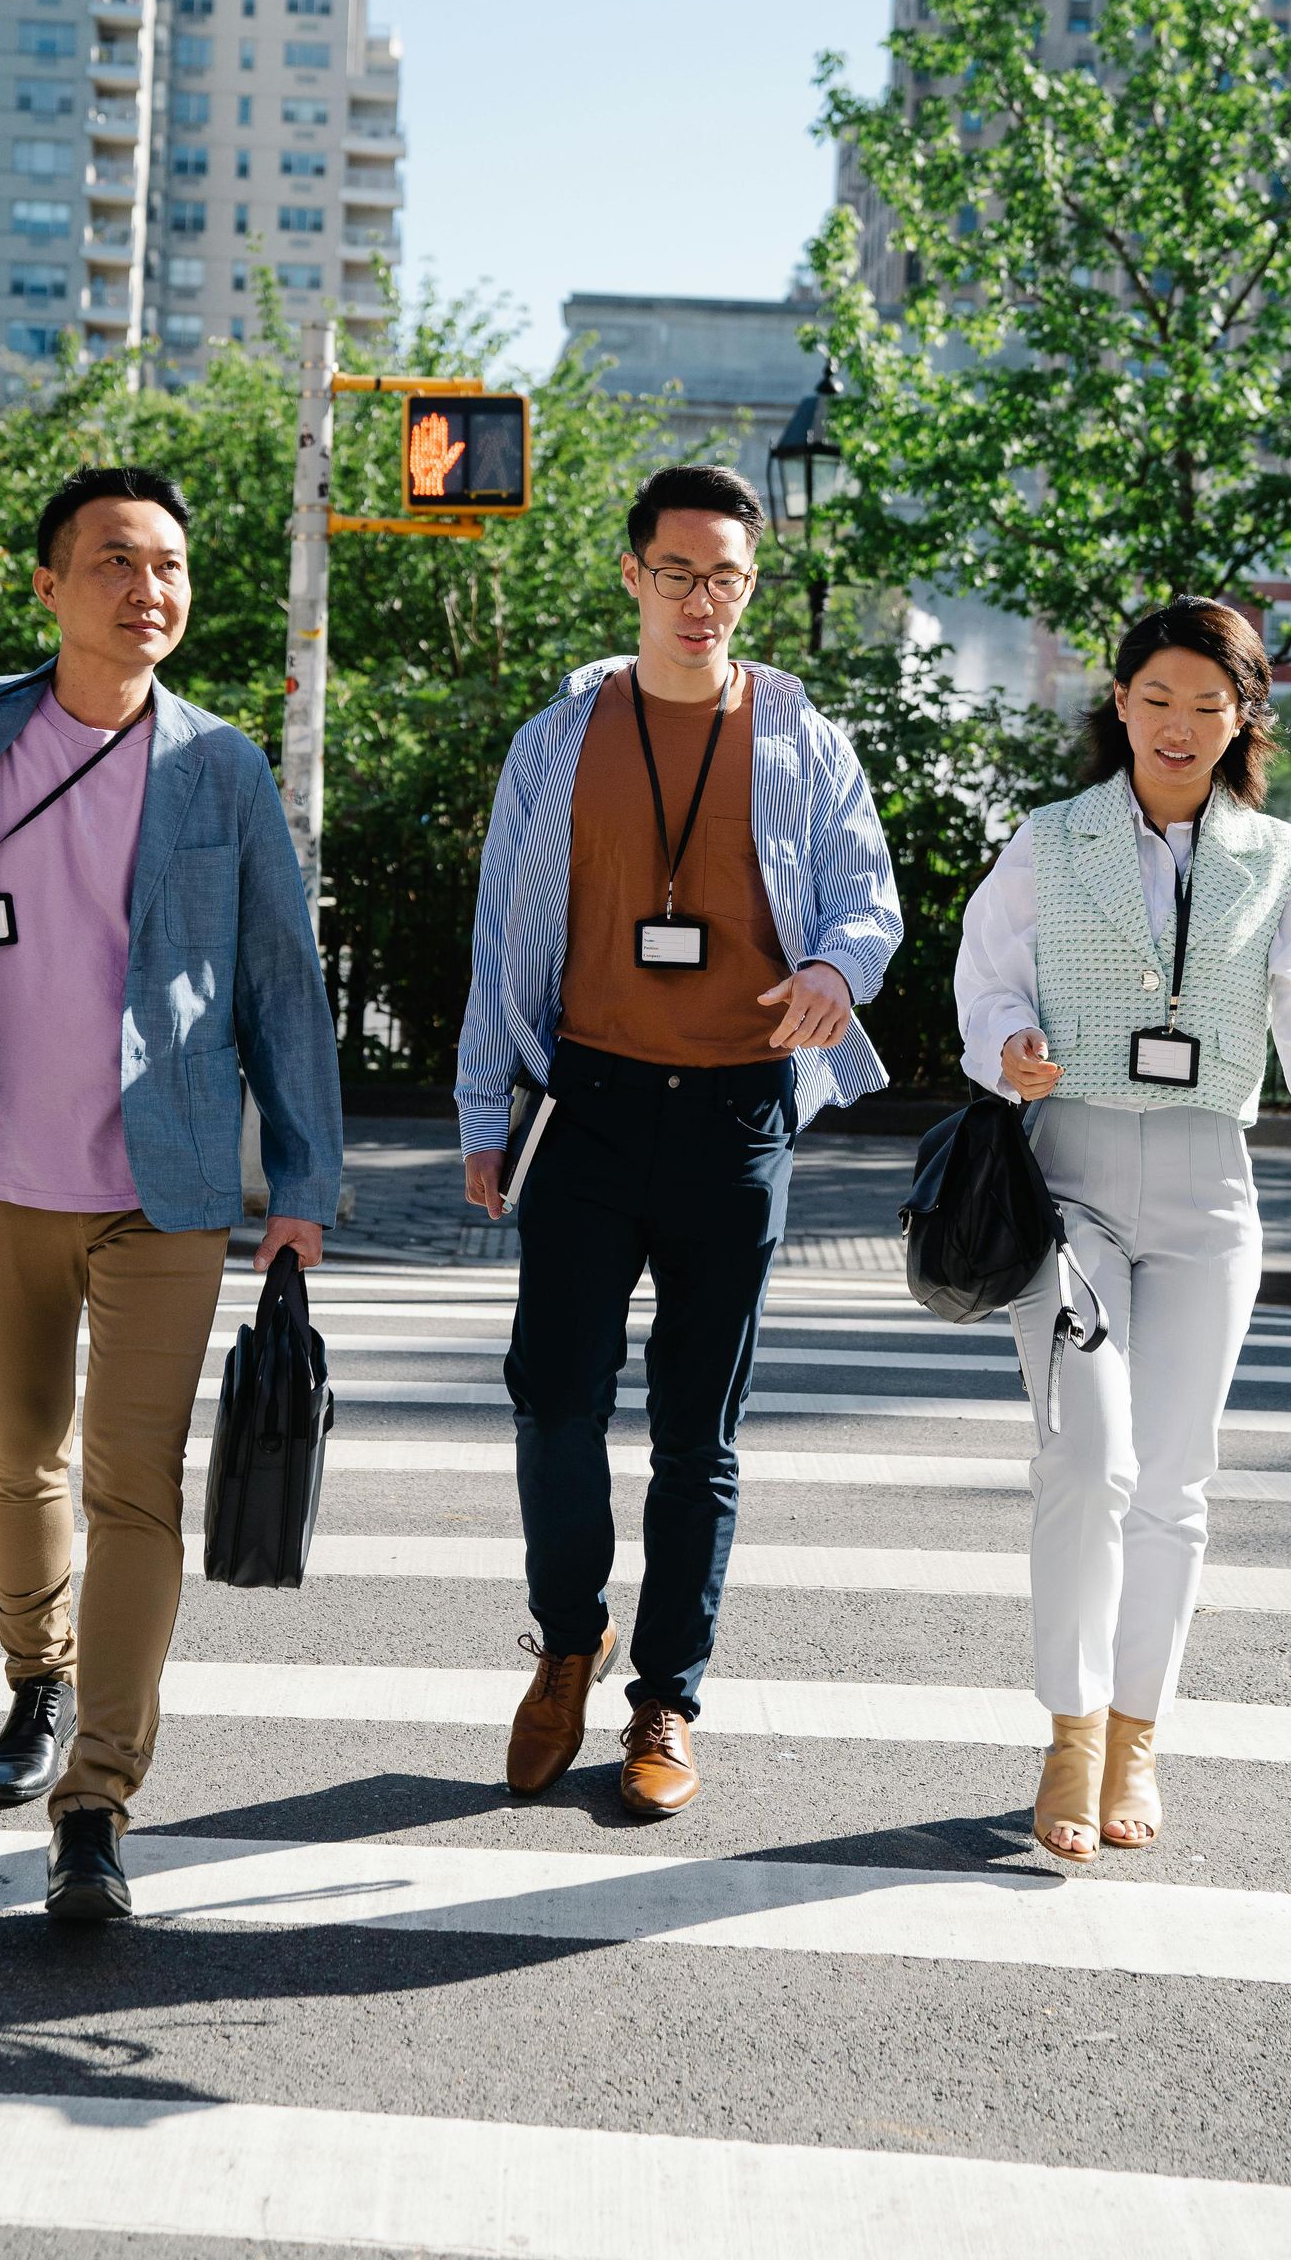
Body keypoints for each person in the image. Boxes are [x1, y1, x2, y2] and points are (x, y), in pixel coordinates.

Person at [0, 464, 341, 1921]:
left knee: (135, 1490)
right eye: (114, 560)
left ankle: (98, 1798)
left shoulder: (216, 766)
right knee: (19, 1454)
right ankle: (35, 1683)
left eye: (168, 564)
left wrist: (302, 1177)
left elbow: (281, 977)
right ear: (48, 586)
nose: (147, 587)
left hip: (166, 1185)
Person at [458, 463, 902, 1817]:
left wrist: (837, 967)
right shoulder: (561, 735)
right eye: (680, 573)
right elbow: (497, 936)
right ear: (634, 577)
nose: (704, 601)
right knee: (554, 1398)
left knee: (698, 1433)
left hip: (734, 1118)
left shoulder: (800, 736)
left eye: (728, 578)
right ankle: (569, 1640)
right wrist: (487, 1111)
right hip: (584, 1108)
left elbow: (865, 899)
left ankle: (666, 1699)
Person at [954, 596, 1291, 1865]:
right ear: (1120, 705)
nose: (1179, 725)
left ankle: (1138, 1736)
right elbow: (982, 976)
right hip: (1073, 1181)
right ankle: (1069, 1733)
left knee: (1175, 1481)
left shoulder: (1282, 861)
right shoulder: (1050, 841)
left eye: (1210, 705)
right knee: (1084, 1460)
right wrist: (1009, 1046)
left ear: (1245, 718)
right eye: (1157, 698)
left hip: (1213, 1187)